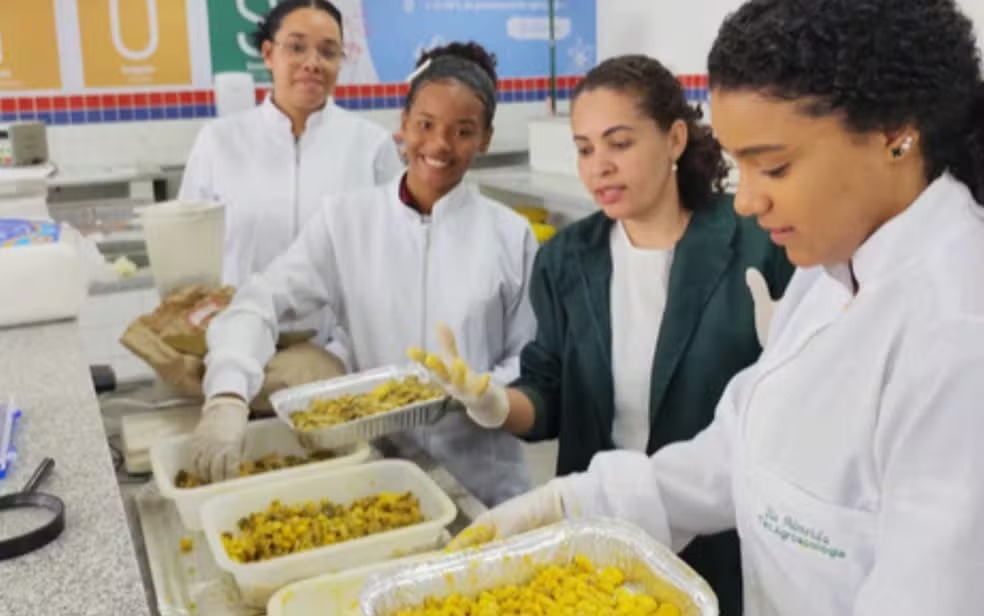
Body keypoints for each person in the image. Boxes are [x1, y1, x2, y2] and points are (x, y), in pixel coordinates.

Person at [438, 0, 984, 613]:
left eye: (773, 166)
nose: (746, 201)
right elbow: (737, 453)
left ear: (895, 136)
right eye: (738, 165)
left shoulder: (957, 335)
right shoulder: (831, 268)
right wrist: (572, 504)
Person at [412, 54, 793, 614]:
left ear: (674, 139)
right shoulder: (569, 258)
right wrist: (493, 403)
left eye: (619, 143)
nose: (599, 167)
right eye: (585, 149)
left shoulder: (758, 245)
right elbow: (548, 394)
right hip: (597, 535)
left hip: (719, 537)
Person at [189, 42, 537, 508]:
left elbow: (531, 357)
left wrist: (484, 392)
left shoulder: (510, 235)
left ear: (486, 139)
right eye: (426, 124)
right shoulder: (346, 221)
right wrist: (228, 393)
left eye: (463, 131)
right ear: (403, 125)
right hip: (379, 476)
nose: (439, 144)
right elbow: (260, 301)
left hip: (485, 482)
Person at [180, 0, 401, 306]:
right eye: (297, 48)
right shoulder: (219, 142)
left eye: (328, 52)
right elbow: (190, 248)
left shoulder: (371, 144)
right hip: (240, 327)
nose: (312, 63)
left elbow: (396, 246)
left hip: (340, 331)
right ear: (268, 53)